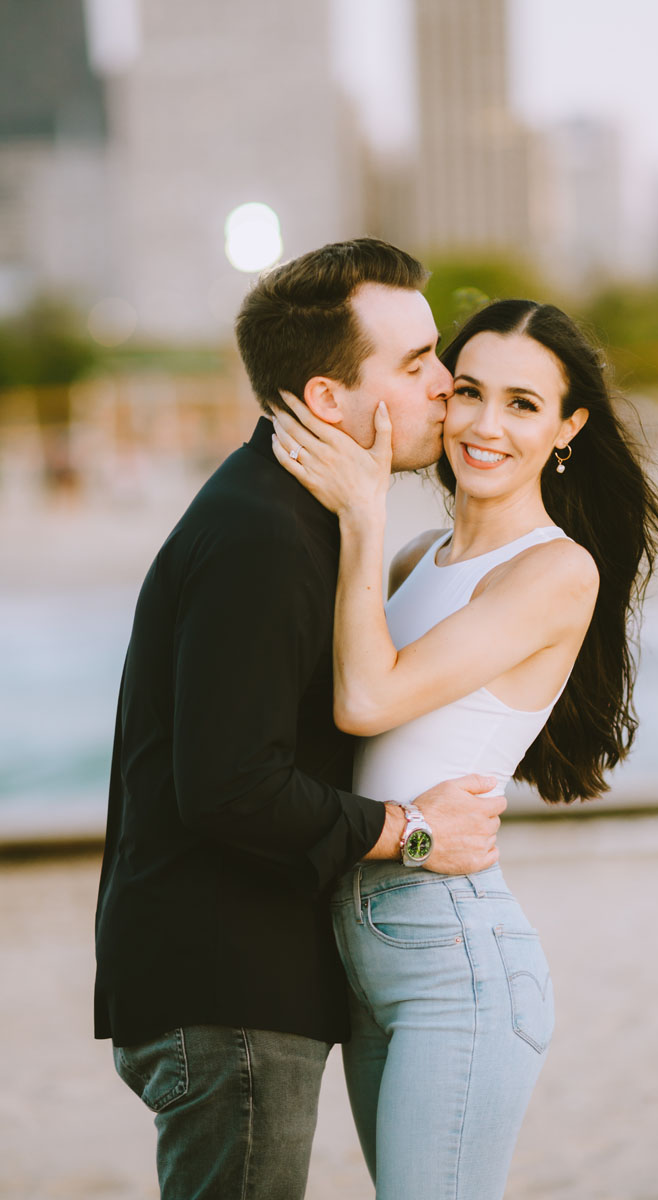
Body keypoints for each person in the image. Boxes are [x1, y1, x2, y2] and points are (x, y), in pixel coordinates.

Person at [93, 239, 507, 1200]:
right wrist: (413, 833)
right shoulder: (262, 535)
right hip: (225, 987)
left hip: (230, 978)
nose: (447, 385)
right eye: (415, 365)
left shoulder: (291, 516)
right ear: (329, 400)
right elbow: (231, 786)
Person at [271, 297, 658, 1200]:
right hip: (360, 945)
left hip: (452, 957)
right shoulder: (418, 559)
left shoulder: (556, 570)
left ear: (567, 427)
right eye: (468, 391)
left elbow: (364, 698)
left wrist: (363, 510)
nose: (482, 425)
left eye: (521, 404)